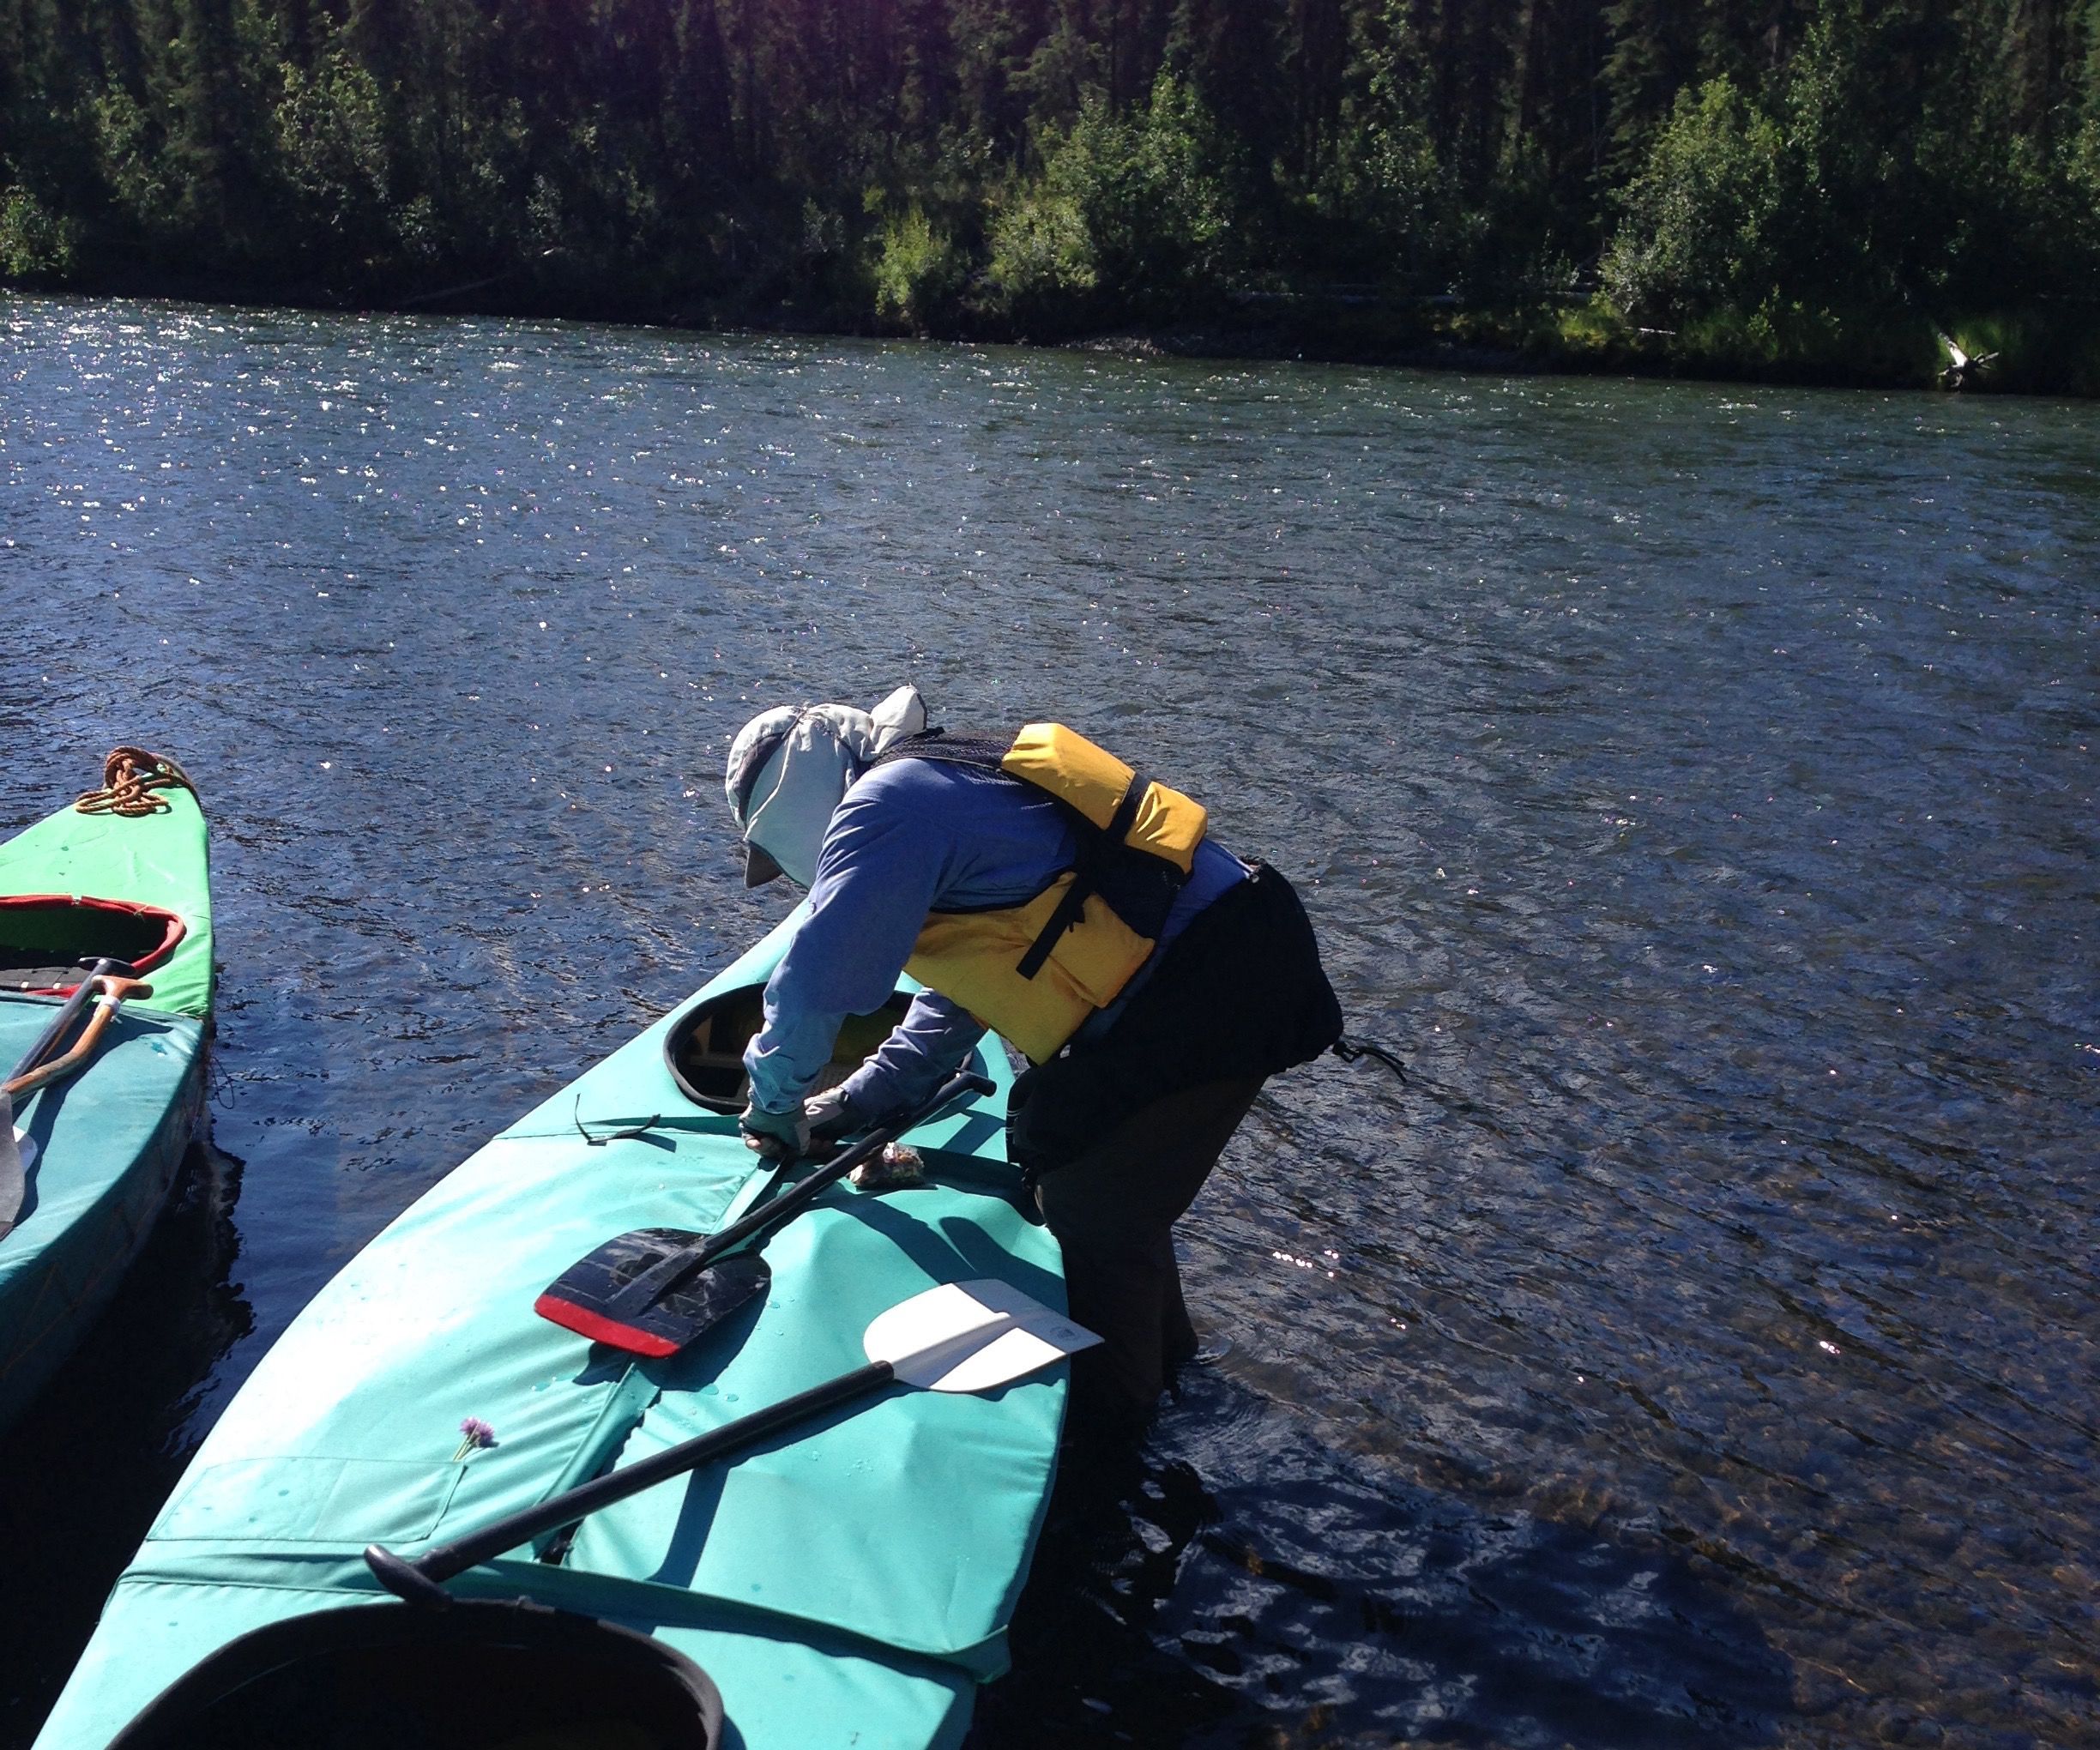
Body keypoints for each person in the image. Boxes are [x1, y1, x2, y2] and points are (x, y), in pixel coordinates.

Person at [722, 685, 1342, 1435]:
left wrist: (776, 1104)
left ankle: (1123, 1433)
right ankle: (1178, 1374)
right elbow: (970, 989)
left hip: (1218, 974)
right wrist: (861, 1100)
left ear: (792, 812)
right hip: (1232, 955)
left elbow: (817, 983)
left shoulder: (892, 807)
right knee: (1097, 1178)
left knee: (1092, 1203)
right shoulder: (933, 788)